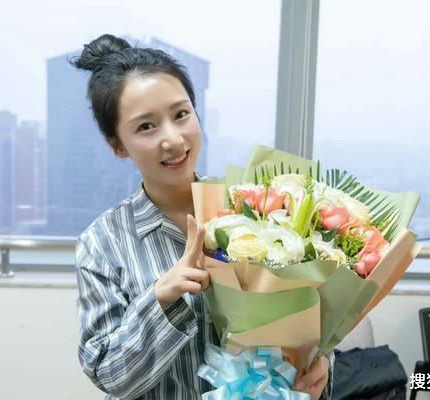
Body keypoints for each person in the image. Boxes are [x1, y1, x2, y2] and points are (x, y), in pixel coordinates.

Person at [72, 33, 334, 400]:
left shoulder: (259, 208)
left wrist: (318, 366)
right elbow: (111, 376)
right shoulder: (103, 243)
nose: (173, 140)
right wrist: (162, 297)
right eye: (146, 126)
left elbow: (307, 321)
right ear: (117, 145)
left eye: (181, 114)